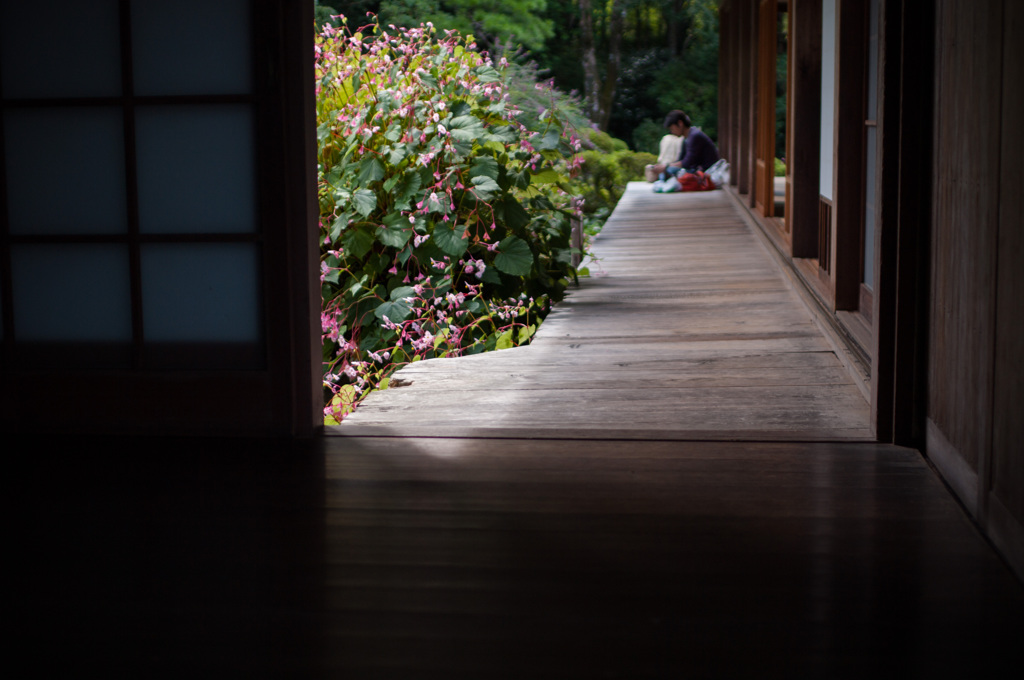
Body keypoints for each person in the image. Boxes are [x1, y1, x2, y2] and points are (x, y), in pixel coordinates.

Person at [653, 110, 721, 192]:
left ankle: (666, 183)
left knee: (669, 170)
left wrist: (666, 166)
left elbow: (687, 163)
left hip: (706, 173)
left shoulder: (694, 136)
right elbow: (681, 160)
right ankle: (666, 182)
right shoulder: (688, 137)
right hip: (696, 169)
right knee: (666, 171)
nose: (671, 132)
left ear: (680, 123)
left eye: (672, 128)